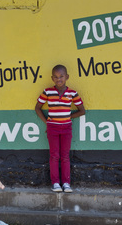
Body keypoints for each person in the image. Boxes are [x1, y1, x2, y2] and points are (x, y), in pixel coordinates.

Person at [35, 64, 86, 193]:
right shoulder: (48, 92)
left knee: (65, 156)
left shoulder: (72, 93)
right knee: (54, 156)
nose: (59, 79)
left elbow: (82, 111)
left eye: (61, 76)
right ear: (52, 78)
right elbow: (37, 108)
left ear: (67, 77)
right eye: (56, 77)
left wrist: (69, 115)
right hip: (52, 128)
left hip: (66, 128)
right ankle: (56, 183)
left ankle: (66, 183)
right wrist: (47, 122)